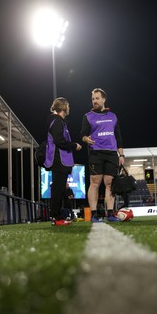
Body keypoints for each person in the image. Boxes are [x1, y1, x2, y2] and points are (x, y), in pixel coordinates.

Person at [81, 88, 125, 223]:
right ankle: (94, 215)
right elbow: (83, 135)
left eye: (97, 98)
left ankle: (110, 213)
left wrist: (121, 155)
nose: (94, 101)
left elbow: (118, 136)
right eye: (93, 99)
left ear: (104, 99)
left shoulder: (113, 116)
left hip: (112, 154)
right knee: (95, 183)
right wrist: (86, 139)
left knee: (110, 184)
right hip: (96, 153)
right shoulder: (87, 116)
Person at [44, 97, 82, 226]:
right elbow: (59, 140)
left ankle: (57, 216)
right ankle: (56, 217)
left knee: (59, 189)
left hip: (60, 160)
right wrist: (74, 145)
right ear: (64, 107)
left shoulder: (59, 121)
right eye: (68, 106)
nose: (70, 108)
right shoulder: (57, 121)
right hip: (58, 159)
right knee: (58, 189)